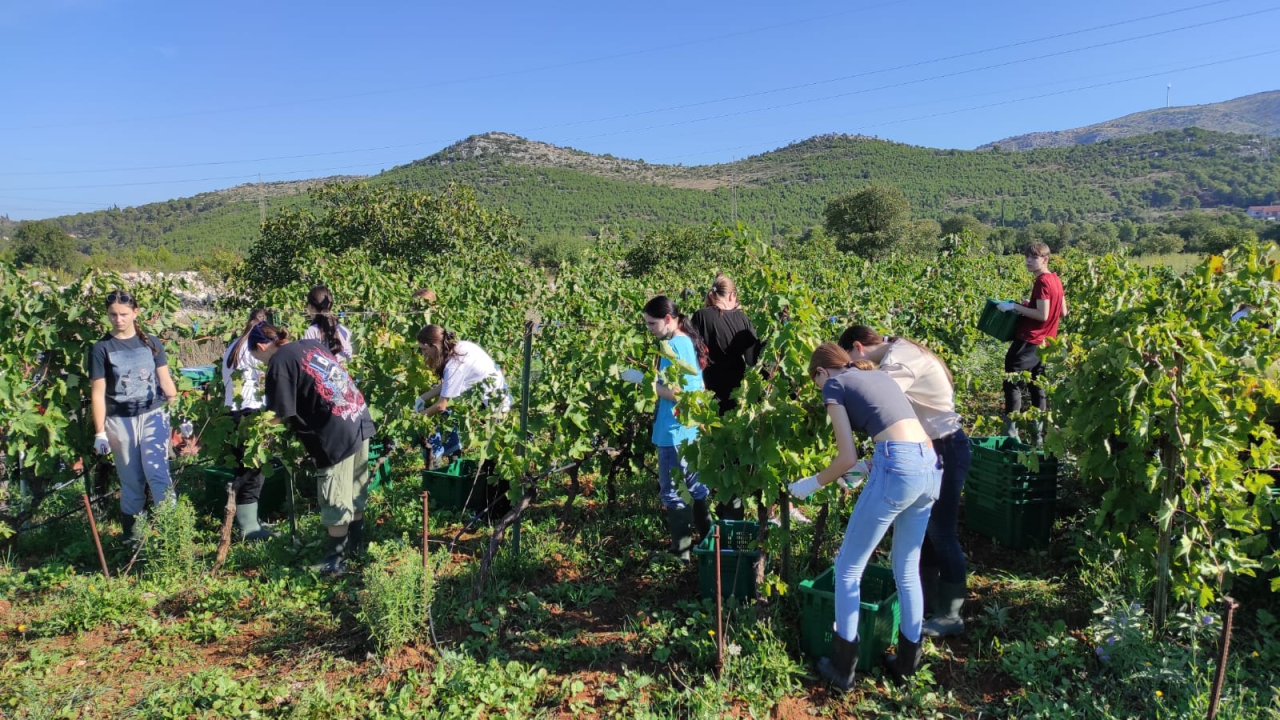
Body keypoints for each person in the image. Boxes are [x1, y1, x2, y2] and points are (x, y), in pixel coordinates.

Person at [788, 343, 941, 691]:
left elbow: (845, 456)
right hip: (930, 467)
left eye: (817, 383)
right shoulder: (877, 376)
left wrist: (811, 483)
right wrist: (870, 466)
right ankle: (907, 665)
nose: (820, 392)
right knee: (906, 566)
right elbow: (898, 435)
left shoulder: (834, 384)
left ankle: (842, 671)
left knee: (848, 568)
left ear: (822, 372)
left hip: (899, 466)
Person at [840, 326, 970, 638]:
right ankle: (923, 604)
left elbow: (876, 397)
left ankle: (951, 614)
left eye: (850, 362)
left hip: (945, 447)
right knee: (922, 533)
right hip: (925, 446)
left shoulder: (900, 359)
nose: (853, 369)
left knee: (942, 532)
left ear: (858, 347)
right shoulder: (899, 352)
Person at [249, 323, 376, 574]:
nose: (260, 363)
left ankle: (334, 561)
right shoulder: (310, 345)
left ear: (262, 346)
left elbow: (279, 412)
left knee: (335, 494)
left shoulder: (279, 361)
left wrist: (258, 431)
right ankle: (357, 548)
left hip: (335, 431)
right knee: (354, 489)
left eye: (257, 357)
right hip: (358, 417)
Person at [89, 289, 179, 546]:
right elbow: (98, 393)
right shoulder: (101, 348)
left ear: (135, 313)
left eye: (123, 314)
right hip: (120, 419)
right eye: (112, 315)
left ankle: (172, 534)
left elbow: (165, 380)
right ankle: (134, 539)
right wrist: (100, 433)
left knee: (158, 473)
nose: (118, 319)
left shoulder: (151, 343)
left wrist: (179, 412)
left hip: (154, 414)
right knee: (131, 481)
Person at [634, 296, 713, 561]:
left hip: (673, 430)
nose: (650, 329)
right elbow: (698, 388)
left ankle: (680, 554)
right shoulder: (687, 341)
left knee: (672, 491)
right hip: (688, 429)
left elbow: (679, 393)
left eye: (652, 324)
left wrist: (643, 382)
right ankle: (707, 544)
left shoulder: (673, 346)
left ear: (668, 319)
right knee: (694, 485)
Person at [413, 324, 511, 518]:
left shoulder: (453, 364)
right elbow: (447, 385)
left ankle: (495, 512)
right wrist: (423, 398)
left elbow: (442, 405)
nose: (424, 355)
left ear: (433, 345)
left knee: (493, 463)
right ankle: (493, 509)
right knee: (492, 461)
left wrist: (417, 417)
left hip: (494, 409)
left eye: (424, 350)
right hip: (496, 402)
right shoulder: (461, 347)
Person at [690, 274, 761, 521]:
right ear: (732, 296)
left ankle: (716, 510)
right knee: (735, 456)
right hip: (738, 397)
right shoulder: (742, 318)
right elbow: (752, 360)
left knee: (713, 454)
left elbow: (694, 357)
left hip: (710, 394)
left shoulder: (700, 316)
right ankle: (733, 512)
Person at [996, 242, 1066, 445]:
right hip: (1046, 342)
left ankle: (1011, 434)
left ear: (1045, 259)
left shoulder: (1043, 281)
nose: (1028, 261)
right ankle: (1038, 436)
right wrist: (1030, 304)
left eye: (1033, 257)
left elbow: (1042, 315)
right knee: (1037, 385)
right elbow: (1062, 312)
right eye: (1026, 257)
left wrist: (1014, 307)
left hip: (1030, 339)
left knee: (1012, 382)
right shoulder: (1056, 279)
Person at [220, 309, 273, 541]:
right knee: (253, 469)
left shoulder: (234, 345)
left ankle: (249, 523)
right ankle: (249, 528)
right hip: (251, 412)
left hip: (233, 412)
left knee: (244, 467)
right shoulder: (254, 350)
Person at [303, 286, 353, 364]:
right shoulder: (343, 330)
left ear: (311, 307)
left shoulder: (312, 331)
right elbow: (349, 356)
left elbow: (307, 358)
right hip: (341, 373)